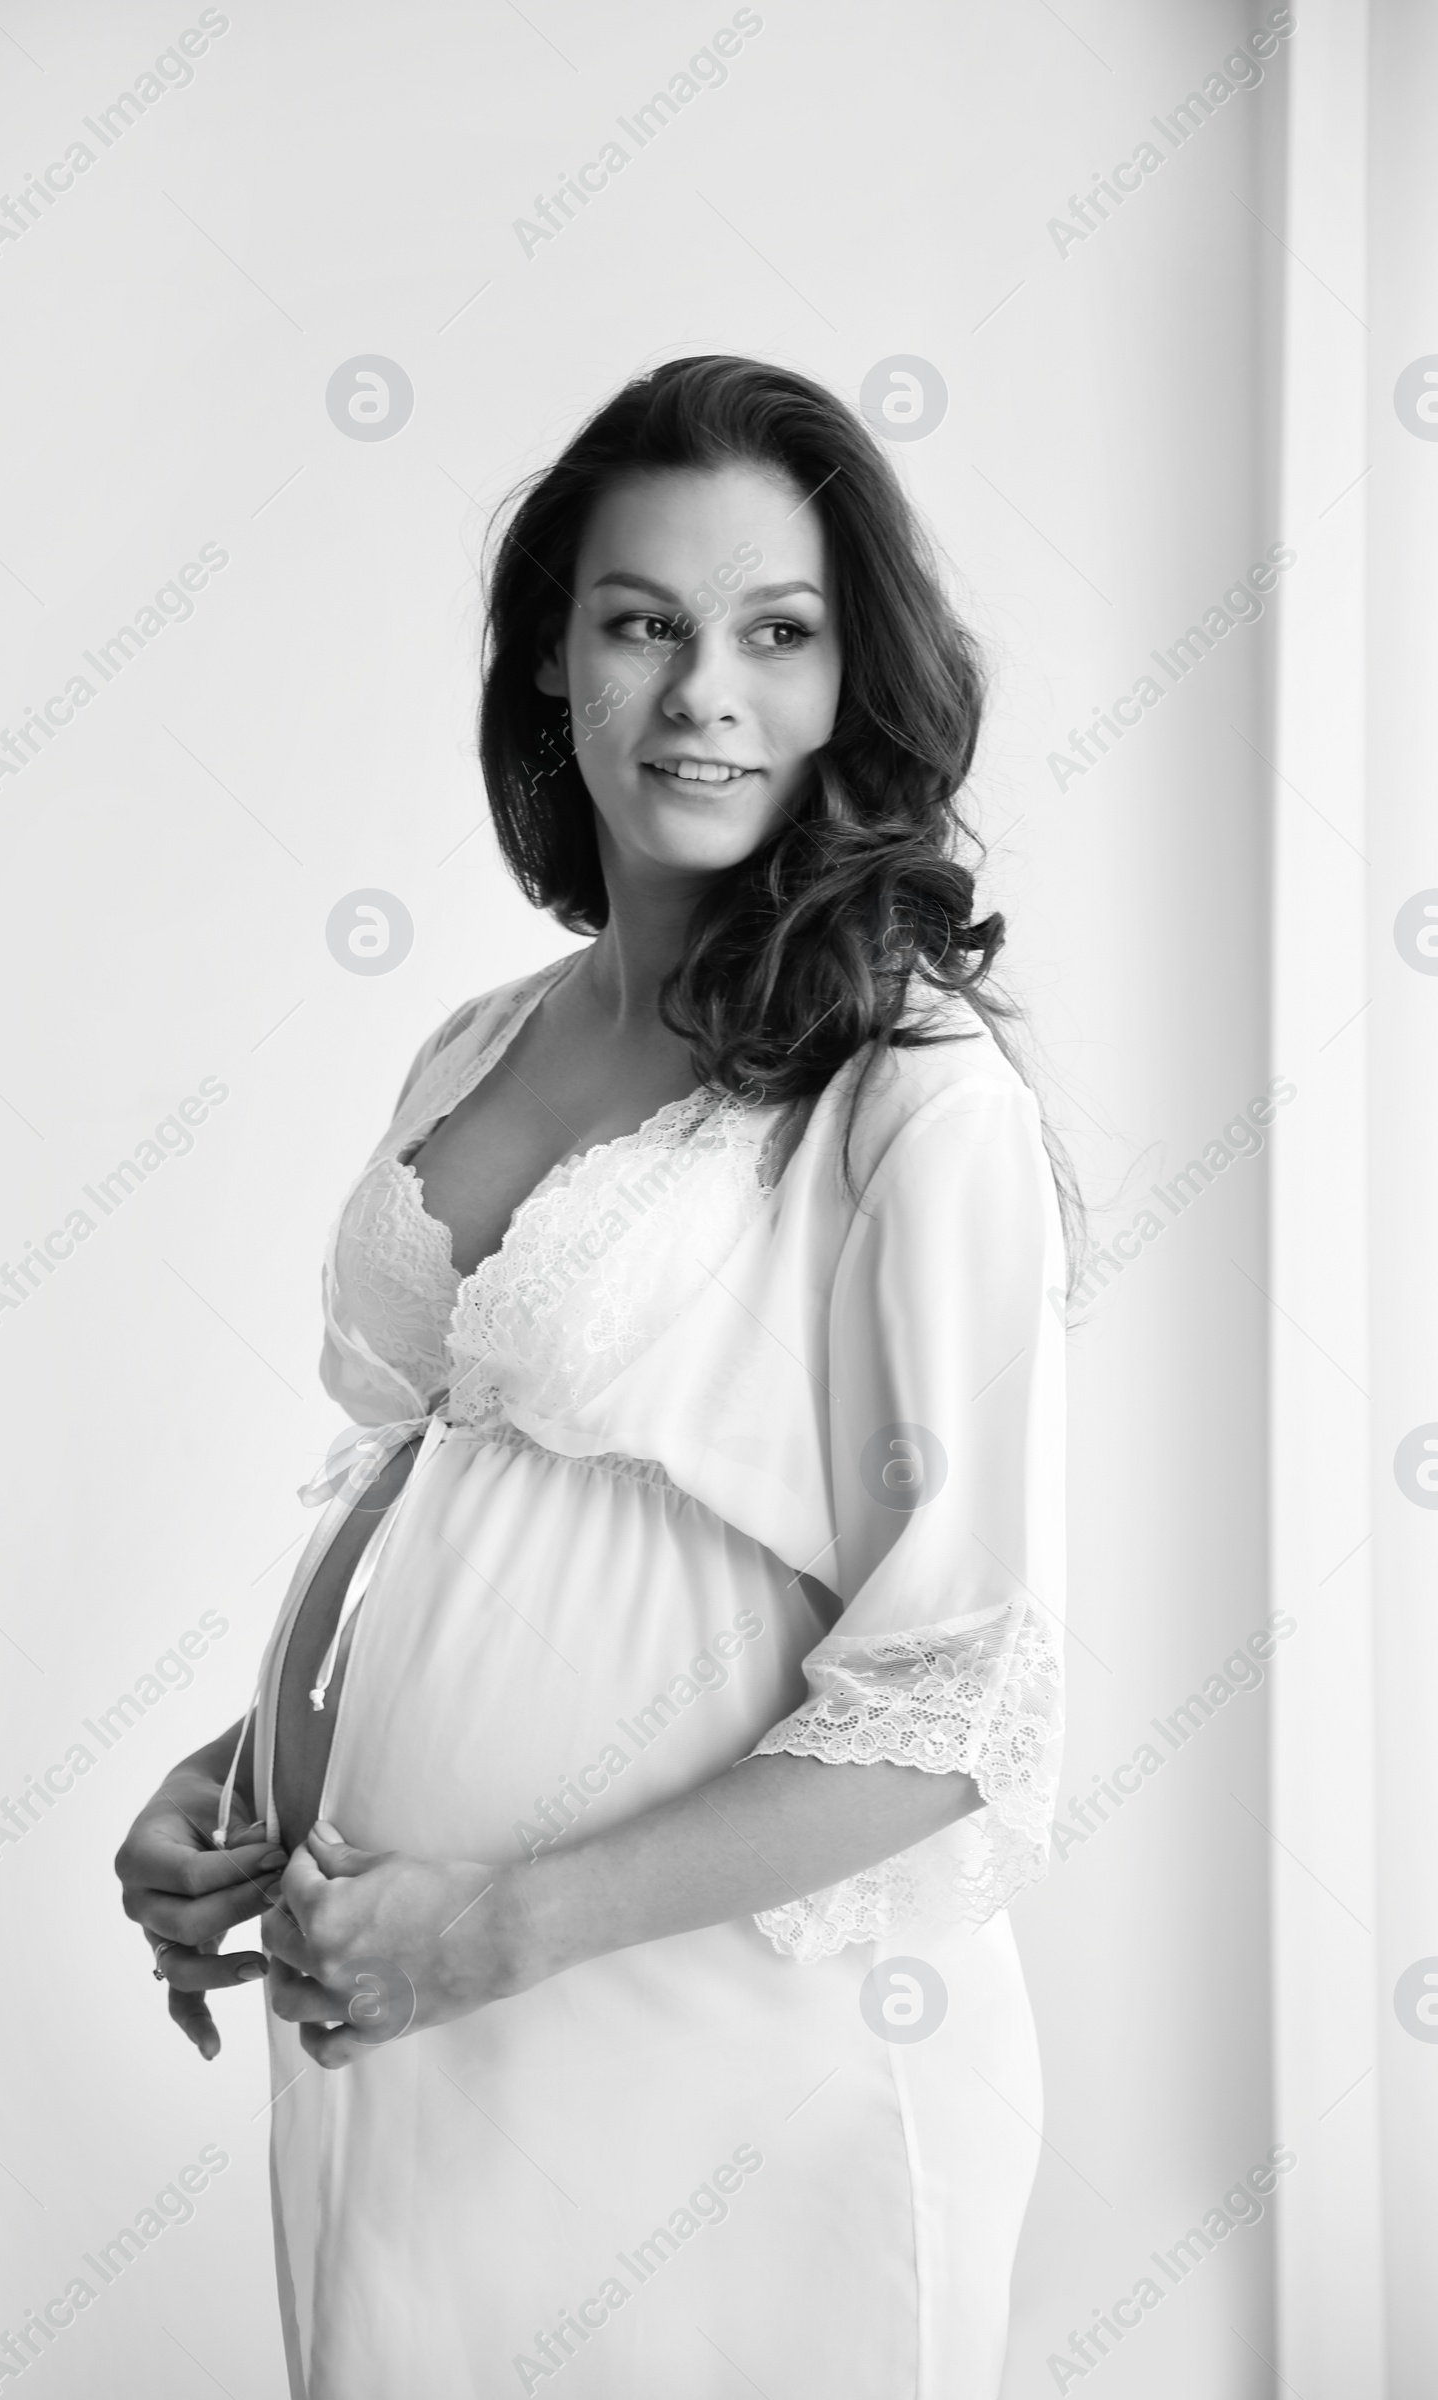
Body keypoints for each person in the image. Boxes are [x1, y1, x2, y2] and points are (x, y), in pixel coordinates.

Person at [115, 353, 1078, 2399]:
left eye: (775, 635)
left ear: (849, 687)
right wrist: (251, 1773)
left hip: (721, 2050)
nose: (701, 693)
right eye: (640, 623)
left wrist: (508, 1922)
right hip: (410, 2035)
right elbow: (455, 1499)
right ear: (552, 661)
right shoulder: (474, 1042)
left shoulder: (908, 1093)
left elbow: (958, 1702)